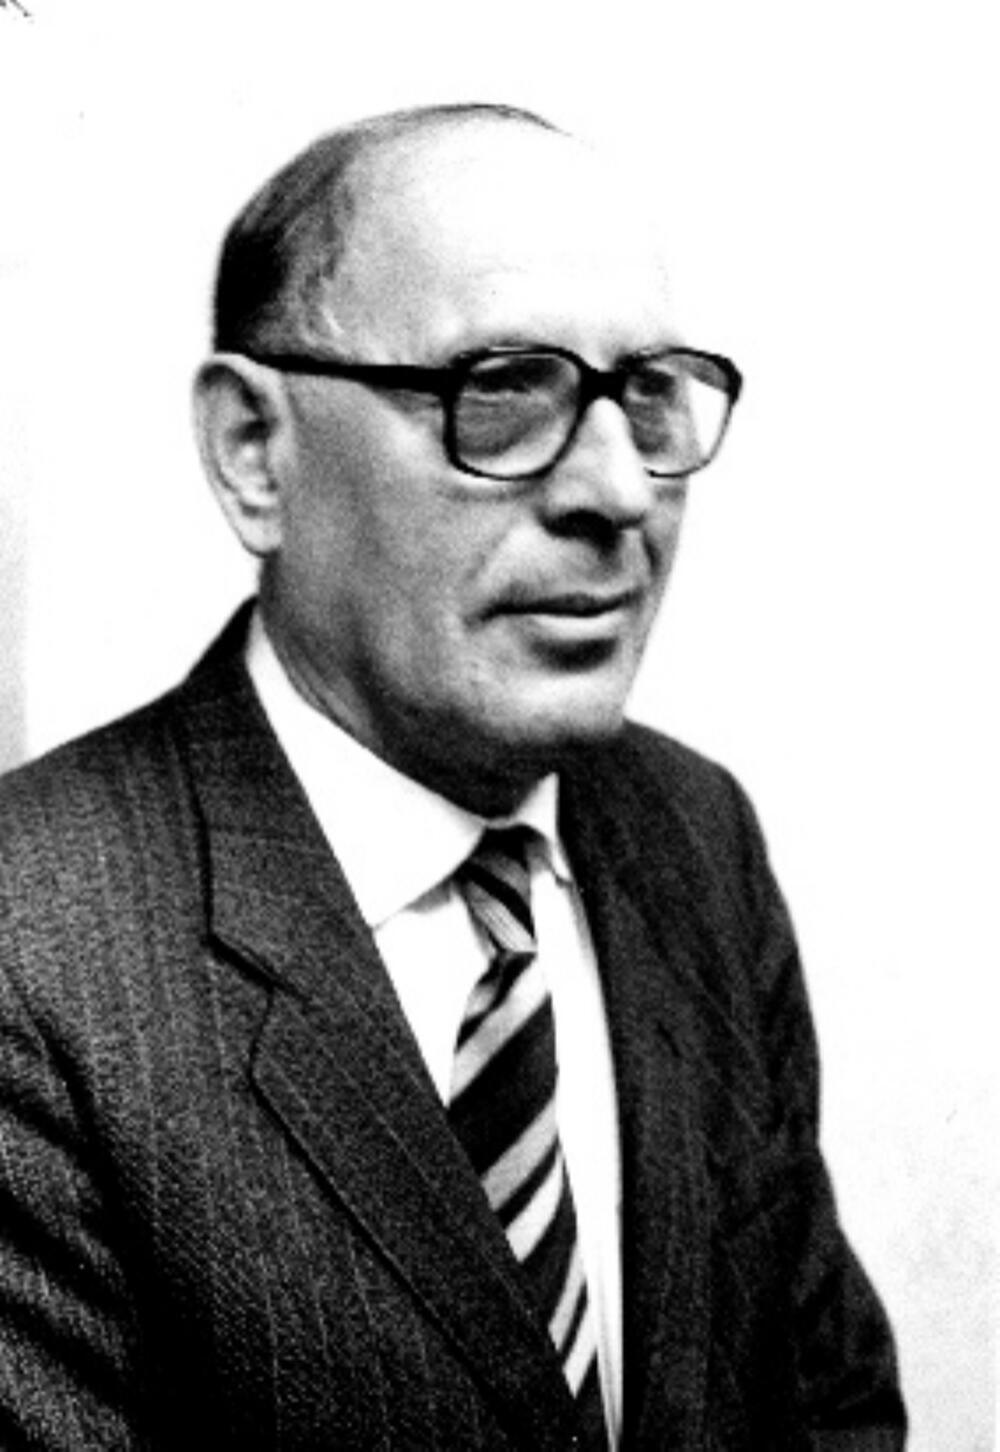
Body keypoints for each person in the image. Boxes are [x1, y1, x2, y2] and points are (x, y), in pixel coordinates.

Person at [0, 102, 905, 1449]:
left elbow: (827, 1409)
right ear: (255, 452)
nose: (618, 491)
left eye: (651, 396)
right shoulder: (32, 949)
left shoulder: (693, 833)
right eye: (502, 390)